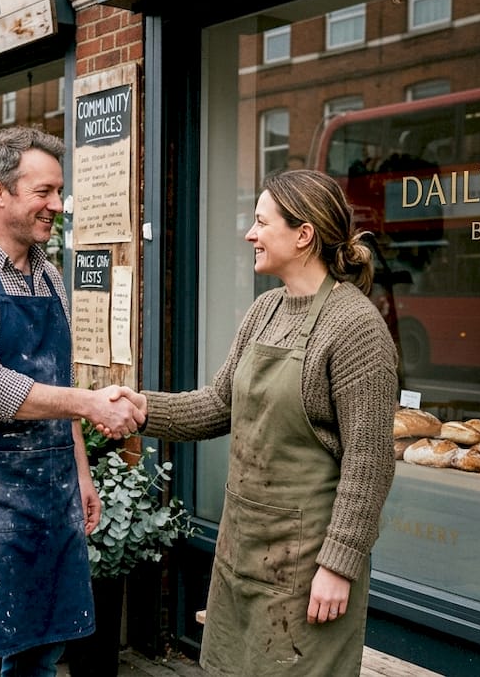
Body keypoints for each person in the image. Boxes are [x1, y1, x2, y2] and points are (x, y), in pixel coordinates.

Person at [126, 169, 398, 676]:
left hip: (307, 565)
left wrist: (338, 565)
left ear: (303, 235)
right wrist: (139, 409)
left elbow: (370, 463)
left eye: (260, 222)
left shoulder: (357, 327)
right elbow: (217, 404)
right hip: (243, 548)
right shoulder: (265, 309)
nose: (250, 234)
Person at [0, 126, 144, 676]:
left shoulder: (49, 277)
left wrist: (82, 474)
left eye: (57, 192)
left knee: (41, 654)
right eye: (44, 192)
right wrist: (90, 403)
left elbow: (55, 379)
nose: (56, 205)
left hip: (47, 495)